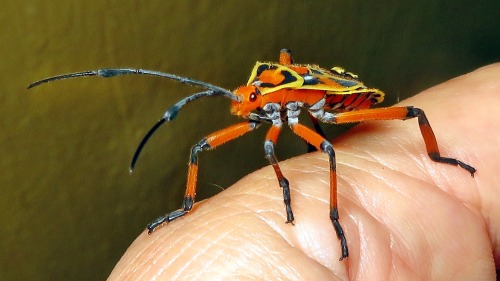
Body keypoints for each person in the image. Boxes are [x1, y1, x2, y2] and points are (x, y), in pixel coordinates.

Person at [108, 63, 499, 280]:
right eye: (244, 99)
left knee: (382, 126)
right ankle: (187, 206)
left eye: (250, 99)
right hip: (296, 105)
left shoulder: (282, 112)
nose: (241, 104)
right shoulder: (264, 107)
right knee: (200, 148)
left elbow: (287, 145)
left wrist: (296, 193)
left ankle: (337, 212)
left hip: (338, 102)